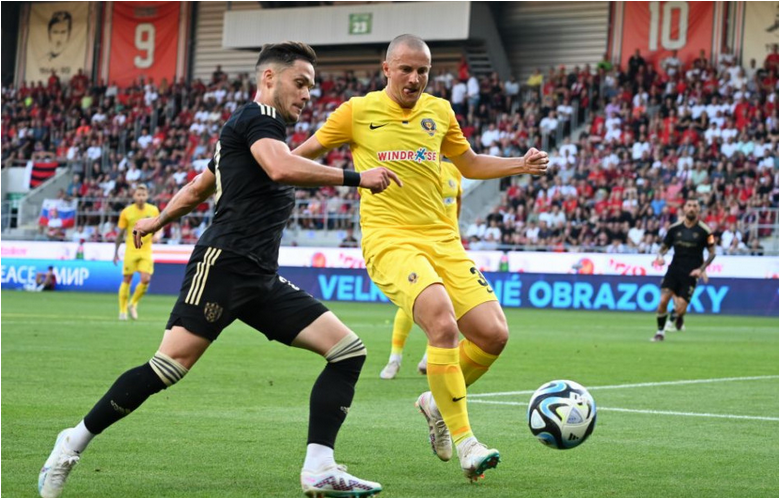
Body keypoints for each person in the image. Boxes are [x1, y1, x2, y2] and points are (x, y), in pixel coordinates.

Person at [38, 41, 399, 499]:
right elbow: (280, 168)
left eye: (311, 85)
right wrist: (356, 177)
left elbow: (197, 188)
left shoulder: (251, 133)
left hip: (260, 277)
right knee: (167, 368)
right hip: (223, 265)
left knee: (347, 351)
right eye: (300, 82)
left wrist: (156, 219)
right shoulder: (257, 122)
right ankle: (72, 441)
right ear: (269, 78)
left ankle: (319, 467)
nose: (307, 93)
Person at [294, 34, 549, 482]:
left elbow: (467, 163)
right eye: (407, 69)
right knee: (442, 322)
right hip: (390, 239)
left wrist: (518, 164)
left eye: (423, 71)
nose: (415, 78)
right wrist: (343, 177)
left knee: (492, 334)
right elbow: (301, 159)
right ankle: (468, 442)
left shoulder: (440, 111)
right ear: (386, 68)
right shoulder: (356, 112)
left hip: (444, 240)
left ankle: (435, 400)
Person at [380, 158, 462, 380]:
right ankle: (394, 358)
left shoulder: (454, 170)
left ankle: (428, 357)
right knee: (413, 301)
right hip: (420, 243)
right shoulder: (415, 167)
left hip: (447, 247)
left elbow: (457, 205)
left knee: (446, 303)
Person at [651, 199, 717, 342]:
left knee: (680, 308)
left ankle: (679, 317)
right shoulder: (674, 229)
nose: (692, 208)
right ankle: (660, 332)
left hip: (691, 273)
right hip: (674, 270)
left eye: (695, 206)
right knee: (663, 301)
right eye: (689, 206)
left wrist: (701, 269)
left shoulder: (705, 231)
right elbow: (663, 248)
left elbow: (712, 253)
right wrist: (659, 257)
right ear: (684, 209)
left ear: (698, 210)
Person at [114, 185, 160, 321]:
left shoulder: (153, 210)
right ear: (134, 196)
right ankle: (122, 311)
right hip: (131, 250)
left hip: (146, 250)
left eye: (143, 195)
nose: (140, 198)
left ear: (147, 196)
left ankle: (133, 303)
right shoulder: (126, 212)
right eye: (138, 195)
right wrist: (115, 252)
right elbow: (120, 234)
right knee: (127, 279)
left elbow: (160, 225)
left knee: (146, 279)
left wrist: (158, 234)